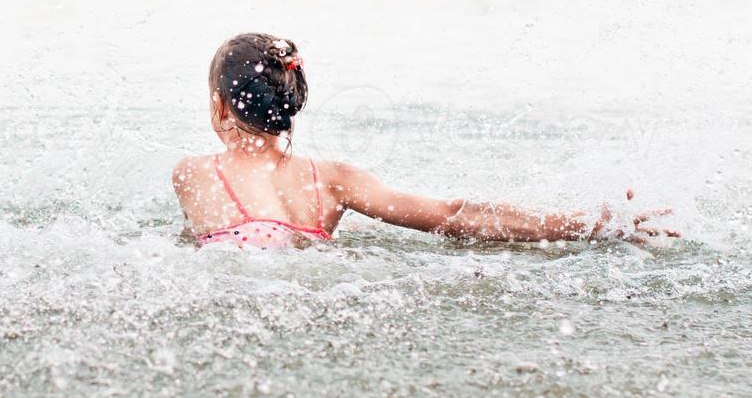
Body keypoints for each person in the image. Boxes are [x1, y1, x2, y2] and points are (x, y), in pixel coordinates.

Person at [172, 33, 678, 250]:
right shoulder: (333, 182)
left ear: (220, 106)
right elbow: (455, 215)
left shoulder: (191, 175)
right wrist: (586, 224)